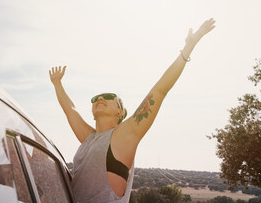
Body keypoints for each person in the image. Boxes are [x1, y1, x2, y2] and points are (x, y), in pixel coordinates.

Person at [49, 18, 216, 203]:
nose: (100, 99)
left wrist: (187, 50)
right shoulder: (88, 139)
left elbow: (159, 91)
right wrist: (57, 83)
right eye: (95, 99)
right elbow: (70, 109)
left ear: (120, 113)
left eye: (109, 97)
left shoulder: (123, 137)